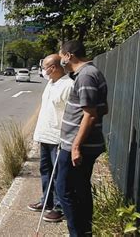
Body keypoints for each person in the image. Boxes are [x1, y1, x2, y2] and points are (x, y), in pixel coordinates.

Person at [57, 40, 108, 236]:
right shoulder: (89, 74)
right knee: (80, 189)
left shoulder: (86, 76)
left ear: (69, 55)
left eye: (61, 55)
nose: (61, 59)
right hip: (83, 145)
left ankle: (77, 232)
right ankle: (85, 230)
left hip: (78, 147)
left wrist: (76, 146)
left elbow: (91, 114)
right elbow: (102, 109)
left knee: (65, 190)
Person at [28, 54, 73, 223]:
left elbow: (73, 114)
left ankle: (59, 207)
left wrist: (66, 138)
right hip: (45, 136)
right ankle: (46, 201)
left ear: (53, 68)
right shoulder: (51, 82)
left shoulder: (68, 85)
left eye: (45, 67)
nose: (43, 70)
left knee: (59, 174)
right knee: (45, 171)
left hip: (58, 138)